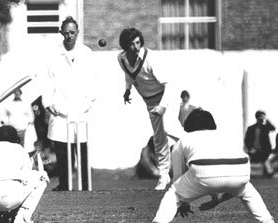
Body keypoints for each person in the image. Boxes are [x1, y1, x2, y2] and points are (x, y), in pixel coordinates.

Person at [152, 108, 275, 223]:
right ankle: (268, 221)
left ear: (188, 125)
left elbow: (178, 177)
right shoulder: (228, 136)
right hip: (242, 172)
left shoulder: (184, 139)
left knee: (173, 193)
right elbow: (229, 178)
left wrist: (183, 201)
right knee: (247, 190)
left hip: (204, 172)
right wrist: (219, 199)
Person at [42, 16, 96, 191]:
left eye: (72, 32)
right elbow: (47, 80)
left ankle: (85, 185)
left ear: (78, 32)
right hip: (60, 109)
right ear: (61, 33)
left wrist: (88, 101)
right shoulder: (52, 54)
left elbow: (93, 81)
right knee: (62, 150)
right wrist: (48, 102)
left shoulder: (87, 53)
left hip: (81, 108)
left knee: (82, 149)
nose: (69, 36)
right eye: (66, 33)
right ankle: (65, 184)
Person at [118, 27, 171, 190]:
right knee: (159, 138)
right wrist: (128, 90)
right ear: (125, 46)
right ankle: (165, 176)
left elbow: (169, 85)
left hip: (166, 99)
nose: (136, 47)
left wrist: (162, 106)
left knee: (172, 135)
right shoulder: (121, 58)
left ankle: (174, 174)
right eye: (132, 44)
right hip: (150, 102)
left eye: (138, 43)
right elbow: (129, 75)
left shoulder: (150, 58)